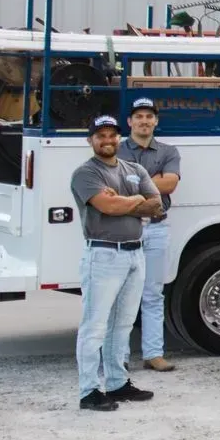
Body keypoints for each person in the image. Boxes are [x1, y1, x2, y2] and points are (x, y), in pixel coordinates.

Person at [71, 114, 162, 411]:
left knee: (122, 325)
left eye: (112, 135)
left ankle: (116, 383)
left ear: (118, 138)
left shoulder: (133, 168)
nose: (107, 140)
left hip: (136, 253)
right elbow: (106, 207)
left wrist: (127, 199)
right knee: (95, 326)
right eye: (100, 136)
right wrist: (137, 200)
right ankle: (88, 391)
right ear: (90, 140)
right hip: (104, 254)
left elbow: (158, 206)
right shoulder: (85, 174)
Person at [118, 97, 181, 373]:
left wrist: (135, 182)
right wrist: (151, 182)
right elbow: (113, 183)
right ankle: (118, 356)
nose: (144, 121)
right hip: (124, 229)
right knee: (121, 294)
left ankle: (153, 354)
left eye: (149, 116)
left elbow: (170, 183)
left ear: (156, 121)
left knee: (154, 294)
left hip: (156, 227)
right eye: (139, 116)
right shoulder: (116, 149)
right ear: (130, 122)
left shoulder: (169, 151)